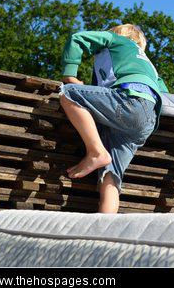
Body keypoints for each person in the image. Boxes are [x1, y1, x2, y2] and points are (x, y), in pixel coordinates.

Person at [57, 23, 168, 213]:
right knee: (111, 175)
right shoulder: (149, 65)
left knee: (69, 93)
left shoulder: (117, 40)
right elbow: (165, 93)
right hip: (148, 119)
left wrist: (70, 75)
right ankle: (105, 226)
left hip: (128, 101)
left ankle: (95, 151)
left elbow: (77, 38)